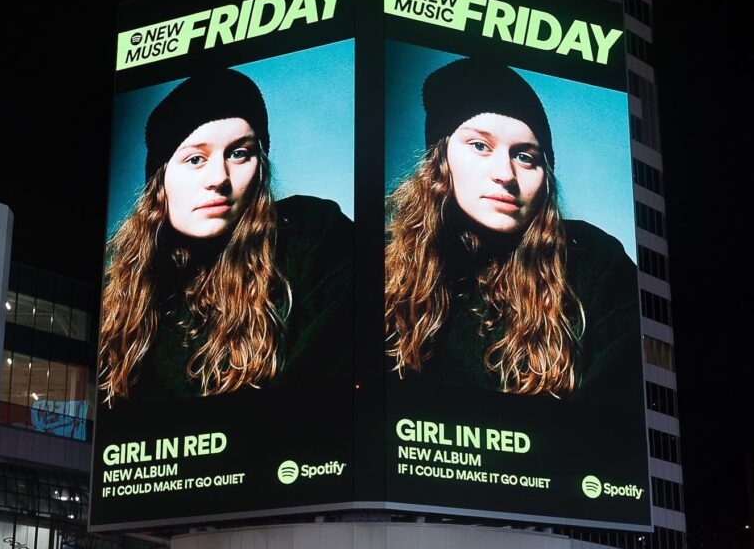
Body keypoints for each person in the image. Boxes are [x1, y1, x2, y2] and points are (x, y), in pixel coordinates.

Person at [385, 56, 641, 402]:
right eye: (480, 146)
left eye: (525, 156)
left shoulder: (593, 262)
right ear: (440, 159)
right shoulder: (386, 271)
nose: (505, 174)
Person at [99, 66, 352, 405]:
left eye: (239, 153)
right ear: (159, 180)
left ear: (260, 167)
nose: (219, 177)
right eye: (195, 159)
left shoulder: (313, 235)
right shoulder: (125, 300)